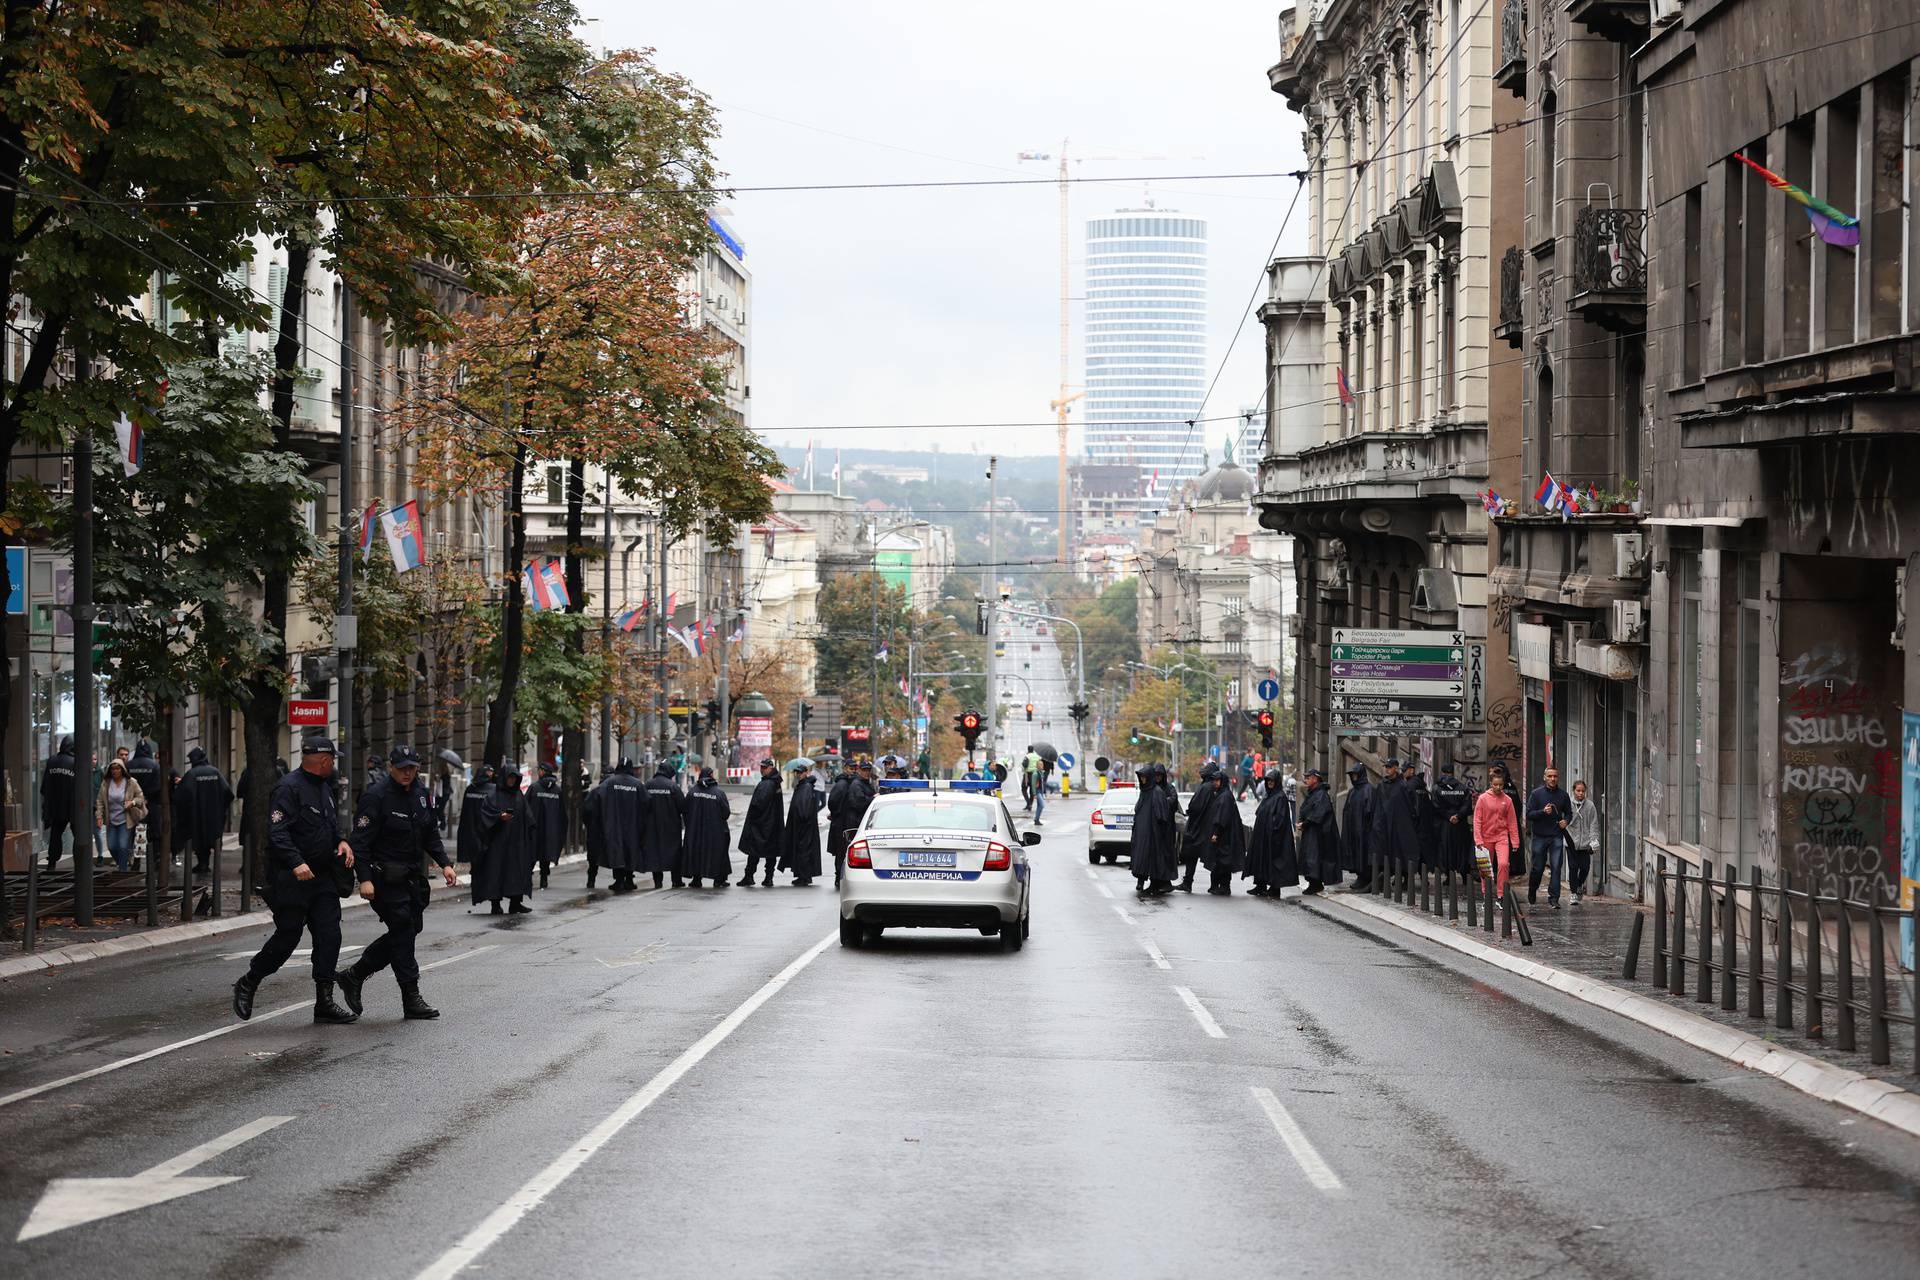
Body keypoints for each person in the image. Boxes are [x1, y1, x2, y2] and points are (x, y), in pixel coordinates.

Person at [231, 738, 358, 1025]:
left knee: (330, 935)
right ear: (323, 760)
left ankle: (324, 1002)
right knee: (288, 937)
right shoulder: (288, 788)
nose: (334, 764)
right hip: (291, 878)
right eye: (332, 759)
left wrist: (342, 842)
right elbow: (277, 833)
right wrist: (296, 862)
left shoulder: (325, 789)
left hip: (322, 876)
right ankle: (250, 981)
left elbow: (331, 826)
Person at [336, 745, 458, 1020]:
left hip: (412, 878)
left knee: (409, 929)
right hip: (384, 879)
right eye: (402, 768)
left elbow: (430, 835)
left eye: (412, 768)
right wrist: (364, 879)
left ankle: (354, 975)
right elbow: (361, 843)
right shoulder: (376, 796)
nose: (407, 773)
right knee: (403, 929)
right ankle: (411, 996)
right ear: (391, 767)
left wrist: (445, 864)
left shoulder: (421, 794)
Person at [471, 761, 533, 915]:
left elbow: (528, 816)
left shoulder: (519, 795)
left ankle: (515, 903)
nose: (511, 781)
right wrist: (499, 817)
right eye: (509, 777)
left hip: (517, 843)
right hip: (498, 842)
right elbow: (485, 815)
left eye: (514, 778)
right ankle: (495, 904)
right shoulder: (494, 795)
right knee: (497, 872)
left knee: (516, 872)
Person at [175, 746, 234, 877]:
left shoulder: (191, 774)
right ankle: (208, 864)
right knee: (212, 839)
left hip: (196, 815)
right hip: (214, 815)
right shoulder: (215, 772)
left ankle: (203, 863)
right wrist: (220, 808)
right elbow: (228, 793)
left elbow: (181, 796)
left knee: (199, 838)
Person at [598, 758, 651, 891]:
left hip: (614, 822)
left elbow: (598, 797)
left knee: (617, 850)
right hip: (633, 824)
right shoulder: (638, 784)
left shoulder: (609, 783)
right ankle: (629, 879)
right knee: (630, 850)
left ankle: (619, 879)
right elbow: (647, 802)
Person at [1526, 766, 1574, 908]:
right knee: (1538, 868)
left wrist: (1566, 821)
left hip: (1556, 836)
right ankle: (1532, 890)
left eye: (1555, 776)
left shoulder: (1563, 795)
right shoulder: (1536, 794)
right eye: (1550, 776)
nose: (1553, 779)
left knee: (1556, 867)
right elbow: (1529, 815)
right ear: (1544, 777)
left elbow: (1569, 813)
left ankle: (1554, 898)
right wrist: (1542, 812)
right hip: (1539, 836)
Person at [1245, 767, 1296, 897]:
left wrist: (1273, 830)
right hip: (1263, 835)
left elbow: (1280, 818)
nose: (1270, 783)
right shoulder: (1268, 796)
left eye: (1272, 781)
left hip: (1273, 836)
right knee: (1261, 860)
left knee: (1274, 862)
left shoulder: (1280, 797)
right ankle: (1260, 885)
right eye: (1268, 781)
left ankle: (1274, 889)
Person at [1473, 766, 1522, 903]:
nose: (1498, 787)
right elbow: (1477, 820)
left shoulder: (1507, 800)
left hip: (1501, 837)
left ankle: (1501, 894)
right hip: (1485, 837)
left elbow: (1512, 822)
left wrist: (1515, 841)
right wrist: (1478, 839)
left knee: (1503, 864)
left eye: (1501, 785)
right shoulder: (1482, 799)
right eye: (1495, 784)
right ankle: (1486, 894)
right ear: (1490, 784)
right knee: (1486, 868)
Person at [1131, 763, 1180, 896]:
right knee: (1145, 858)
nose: (1142, 780)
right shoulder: (1145, 792)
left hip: (1155, 833)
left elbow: (1162, 815)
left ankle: (1157, 884)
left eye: (1144, 777)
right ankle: (1147, 883)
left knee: (1156, 859)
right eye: (1141, 777)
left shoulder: (1158, 792)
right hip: (1144, 833)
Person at [737, 758, 787, 886]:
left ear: (771, 767)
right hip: (773, 824)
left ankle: (749, 876)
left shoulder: (767, 784)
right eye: (761, 767)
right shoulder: (775, 782)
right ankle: (768, 878)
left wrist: (753, 818)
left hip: (761, 824)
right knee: (770, 853)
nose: (762, 770)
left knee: (753, 851)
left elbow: (758, 804)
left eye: (764, 767)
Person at [94, 757, 148, 871]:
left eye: (117, 768)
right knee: (112, 847)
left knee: (123, 846)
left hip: (126, 819)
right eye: (113, 769)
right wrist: (99, 816)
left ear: (122, 769)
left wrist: (132, 802)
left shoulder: (130, 782)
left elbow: (141, 797)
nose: (115, 771)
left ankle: (122, 871)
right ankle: (122, 862)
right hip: (111, 820)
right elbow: (99, 801)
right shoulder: (106, 783)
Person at [683, 768, 733, 888]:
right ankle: (718, 880)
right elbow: (726, 813)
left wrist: (690, 825)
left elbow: (685, 811)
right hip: (715, 831)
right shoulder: (719, 793)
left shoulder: (692, 792)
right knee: (717, 854)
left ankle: (696, 879)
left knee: (697, 854)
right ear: (711, 776)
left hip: (695, 831)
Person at [1199, 768, 1246, 895]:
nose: (1214, 782)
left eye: (1217, 780)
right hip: (1223, 835)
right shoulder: (1222, 794)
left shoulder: (1224, 796)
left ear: (1222, 781)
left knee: (1222, 861)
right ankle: (1217, 885)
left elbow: (1222, 817)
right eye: (1213, 780)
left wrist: (1216, 833)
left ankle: (1224, 886)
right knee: (1219, 861)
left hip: (1223, 836)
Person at [1177, 762, 1221, 893]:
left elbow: (1195, 806)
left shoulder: (1205, 787)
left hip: (1198, 827)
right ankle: (1215, 884)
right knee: (1210, 856)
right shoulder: (1213, 788)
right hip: (1207, 826)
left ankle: (1188, 882)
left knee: (1192, 855)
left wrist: (1190, 811)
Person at [1294, 767, 1339, 894]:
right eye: (1306, 777)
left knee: (1314, 858)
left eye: (1308, 777)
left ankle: (1316, 883)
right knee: (1310, 857)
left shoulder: (1321, 794)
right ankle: (1313, 883)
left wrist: (1306, 823)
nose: (1306, 780)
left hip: (1318, 833)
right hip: (1311, 831)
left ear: (1315, 779)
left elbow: (1319, 813)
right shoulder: (1313, 793)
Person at [645, 761, 689, 888]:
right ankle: (676, 880)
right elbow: (682, 806)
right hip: (671, 826)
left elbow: (642, 804)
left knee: (655, 852)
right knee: (674, 853)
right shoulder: (673, 787)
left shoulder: (648, 785)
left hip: (652, 826)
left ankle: (658, 882)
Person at [779, 762, 823, 886]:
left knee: (803, 850)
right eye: (797, 772)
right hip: (803, 825)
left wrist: (801, 820)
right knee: (802, 850)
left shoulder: (806, 787)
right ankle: (803, 876)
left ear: (806, 773)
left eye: (800, 772)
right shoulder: (803, 786)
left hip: (803, 826)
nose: (798, 774)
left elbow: (803, 807)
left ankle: (804, 876)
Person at [1431, 763, 1476, 881]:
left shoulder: (1437, 788)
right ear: (1453, 772)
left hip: (1445, 824)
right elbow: (1467, 805)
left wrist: (1449, 816)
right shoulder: (1462, 787)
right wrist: (1458, 816)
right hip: (1460, 824)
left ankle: (1448, 875)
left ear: (1442, 772)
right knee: (1462, 848)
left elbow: (1436, 806)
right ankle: (1464, 874)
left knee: (1446, 849)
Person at [39, 734, 77, 872]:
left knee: (56, 833)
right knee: (78, 834)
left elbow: (45, 786)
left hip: (56, 805)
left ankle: (52, 862)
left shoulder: (52, 761)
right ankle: (79, 862)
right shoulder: (75, 762)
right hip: (72, 806)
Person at [125, 739, 165, 865]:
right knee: (154, 833)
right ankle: (155, 860)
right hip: (151, 804)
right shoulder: (155, 766)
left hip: (133, 804)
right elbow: (159, 787)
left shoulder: (128, 765)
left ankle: (137, 861)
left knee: (137, 832)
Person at [529, 761, 566, 889]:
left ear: (543, 772)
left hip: (535, 828)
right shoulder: (557, 790)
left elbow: (526, 807)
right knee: (545, 854)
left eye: (539, 770)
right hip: (551, 829)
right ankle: (544, 879)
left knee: (532, 853)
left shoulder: (534, 788)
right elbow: (562, 812)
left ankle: (527, 879)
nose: (538, 772)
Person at [1337, 762, 1374, 891]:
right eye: (1352, 775)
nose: (1353, 777)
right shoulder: (1352, 791)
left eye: (1355, 775)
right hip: (1353, 828)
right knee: (1354, 852)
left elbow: (1370, 810)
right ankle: (1360, 876)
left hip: (1363, 829)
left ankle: (1365, 877)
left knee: (1362, 853)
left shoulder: (1368, 789)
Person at [454, 763, 496, 869]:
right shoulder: (493, 790)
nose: (491, 774)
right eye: (489, 772)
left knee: (475, 861)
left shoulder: (470, 789)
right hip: (486, 830)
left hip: (471, 829)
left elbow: (465, 811)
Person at [1565, 780, 1600, 906]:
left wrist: (1594, 840)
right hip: (1571, 842)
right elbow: (1566, 821)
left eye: (1582, 791)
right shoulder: (1568, 804)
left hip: (1585, 844)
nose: (1580, 793)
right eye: (1578, 791)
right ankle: (1573, 893)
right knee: (1573, 867)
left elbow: (1593, 824)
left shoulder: (1590, 806)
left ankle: (1579, 884)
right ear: (1573, 790)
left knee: (1585, 867)